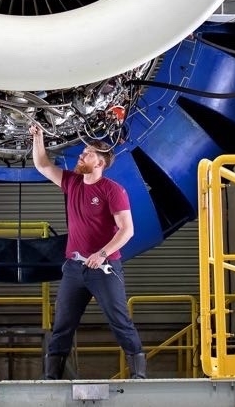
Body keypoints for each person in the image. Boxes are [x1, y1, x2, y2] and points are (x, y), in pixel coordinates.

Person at [29, 123, 146, 380]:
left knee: (119, 321)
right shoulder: (71, 182)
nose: (81, 156)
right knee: (62, 324)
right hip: (74, 268)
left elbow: (127, 230)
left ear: (100, 163)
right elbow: (42, 165)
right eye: (83, 152)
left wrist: (101, 254)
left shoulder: (112, 190)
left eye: (87, 154)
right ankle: (51, 378)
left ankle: (138, 375)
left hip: (104, 268)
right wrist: (38, 137)